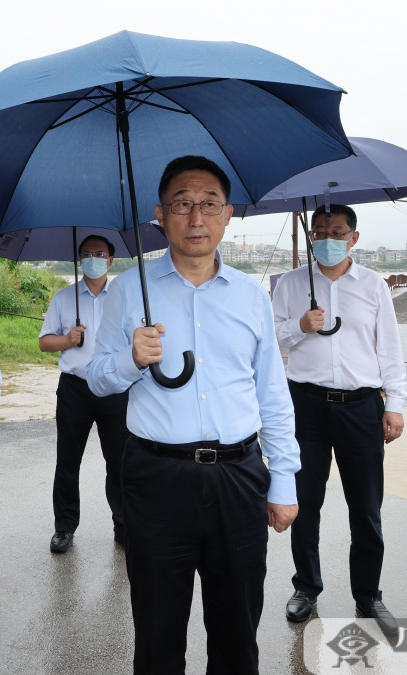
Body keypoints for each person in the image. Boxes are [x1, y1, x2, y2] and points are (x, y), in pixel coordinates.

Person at [87, 155, 300, 674]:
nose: (196, 217)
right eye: (182, 204)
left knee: (236, 630)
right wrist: (128, 359)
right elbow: (96, 377)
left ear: (228, 214)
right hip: (156, 476)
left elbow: (272, 391)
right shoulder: (128, 290)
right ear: (161, 214)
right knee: (158, 630)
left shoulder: (252, 295)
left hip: (238, 476)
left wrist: (285, 479)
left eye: (209, 204)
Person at [270, 204, 407, 642]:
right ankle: (306, 587)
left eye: (337, 231)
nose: (328, 238)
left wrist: (396, 403)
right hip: (305, 405)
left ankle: (368, 594)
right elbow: (269, 338)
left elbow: (389, 347)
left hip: (361, 406)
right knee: (304, 501)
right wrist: (299, 326)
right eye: (321, 231)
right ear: (311, 235)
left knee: (365, 507)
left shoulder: (373, 286)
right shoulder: (290, 284)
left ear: (354, 237)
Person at [39, 234, 128, 553]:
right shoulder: (63, 298)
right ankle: (64, 526)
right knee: (67, 460)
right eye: (87, 254)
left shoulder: (123, 296)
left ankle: (123, 524)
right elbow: (44, 341)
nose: (93, 258)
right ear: (79, 259)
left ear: (110, 260)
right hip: (75, 388)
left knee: (119, 461)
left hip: (115, 387)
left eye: (99, 253)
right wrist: (67, 340)